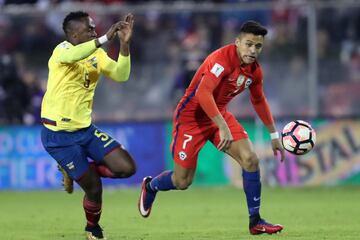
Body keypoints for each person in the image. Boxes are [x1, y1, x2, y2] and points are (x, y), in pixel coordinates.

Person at [138, 20, 286, 235]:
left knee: (250, 160)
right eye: (248, 44)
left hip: (218, 116)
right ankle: (150, 186)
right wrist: (222, 126)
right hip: (191, 119)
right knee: (182, 181)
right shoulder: (221, 60)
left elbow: (259, 100)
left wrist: (274, 134)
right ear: (237, 42)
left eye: (258, 46)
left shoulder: (254, 71)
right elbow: (203, 93)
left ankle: (255, 221)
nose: (253, 50)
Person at [41, 11, 136, 240]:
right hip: (58, 135)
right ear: (74, 34)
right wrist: (104, 38)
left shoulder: (97, 54)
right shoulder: (62, 51)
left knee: (126, 168)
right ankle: (92, 229)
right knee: (93, 188)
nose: (95, 32)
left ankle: (76, 171)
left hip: (85, 130)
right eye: (89, 30)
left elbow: (121, 75)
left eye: (95, 29)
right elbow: (76, 54)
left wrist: (124, 46)